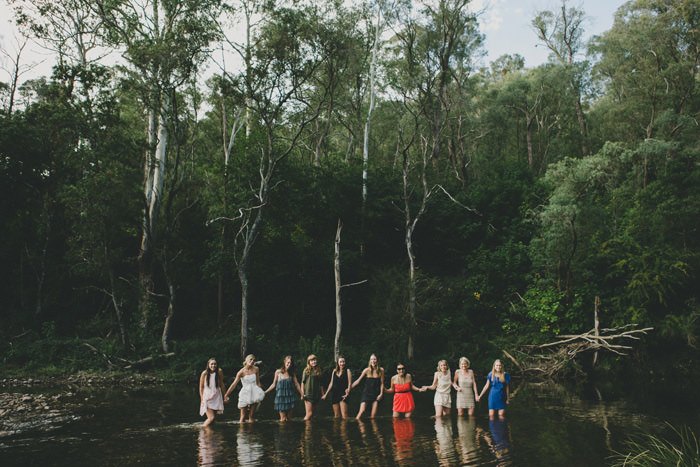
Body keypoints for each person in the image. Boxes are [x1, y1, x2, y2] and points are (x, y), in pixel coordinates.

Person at [224, 354, 265, 423]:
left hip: (254, 393)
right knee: (242, 417)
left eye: (253, 360)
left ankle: (252, 433)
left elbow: (258, 382)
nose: (252, 361)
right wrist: (226, 394)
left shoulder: (256, 369)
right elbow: (234, 384)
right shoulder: (241, 372)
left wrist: (261, 392)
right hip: (245, 393)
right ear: (246, 361)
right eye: (250, 359)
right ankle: (242, 433)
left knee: (251, 417)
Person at [265, 355, 303, 421]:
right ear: (284, 362)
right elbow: (273, 384)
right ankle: (282, 431)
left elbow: (297, 384)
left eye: (290, 363)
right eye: (288, 362)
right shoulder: (278, 372)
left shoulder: (292, 373)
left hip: (290, 397)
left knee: (289, 419)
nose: (289, 364)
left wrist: (302, 394)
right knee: (282, 419)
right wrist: (265, 392)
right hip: (280, 398)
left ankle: (289, 431)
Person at [351, 353, 384, 419]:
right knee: (361, 411)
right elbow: (358, 381)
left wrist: (381, 394)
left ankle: (374, 429)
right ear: (370, 361)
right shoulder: (366, 370)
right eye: (371, 359)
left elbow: (382, 383)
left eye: (374, 359)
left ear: (377, 360)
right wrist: (349, 388)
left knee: (373, 416)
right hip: (366, 393)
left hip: (376, 394)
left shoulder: (381, 370)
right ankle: (360, 427)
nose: (373, 361)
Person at [199, 358, 226, 427]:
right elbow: (201, 387)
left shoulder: (219, 371)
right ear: (208, 365)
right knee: (211, 418)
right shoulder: (204, 373)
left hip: (216, 396)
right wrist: (202, 399)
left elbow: (222, 384)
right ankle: (202, 429)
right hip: (207, 397)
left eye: (215, 364)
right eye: (212, 364)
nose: (213, 365)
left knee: (213, 420)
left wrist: (225, 396)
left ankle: (211, 435)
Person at [301, 354, 324, 420]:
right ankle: (305, 429)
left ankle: (310, 429)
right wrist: (302, 394)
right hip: (308, 394)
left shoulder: (319, 370)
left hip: (316, 394)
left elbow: (321, 384)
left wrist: (323, 394)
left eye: (314, 360)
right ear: (309, 362)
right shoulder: (306, 370)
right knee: (309, 414)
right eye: (312, 360)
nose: (314, 362)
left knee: (313, 414)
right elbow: (302, 383)